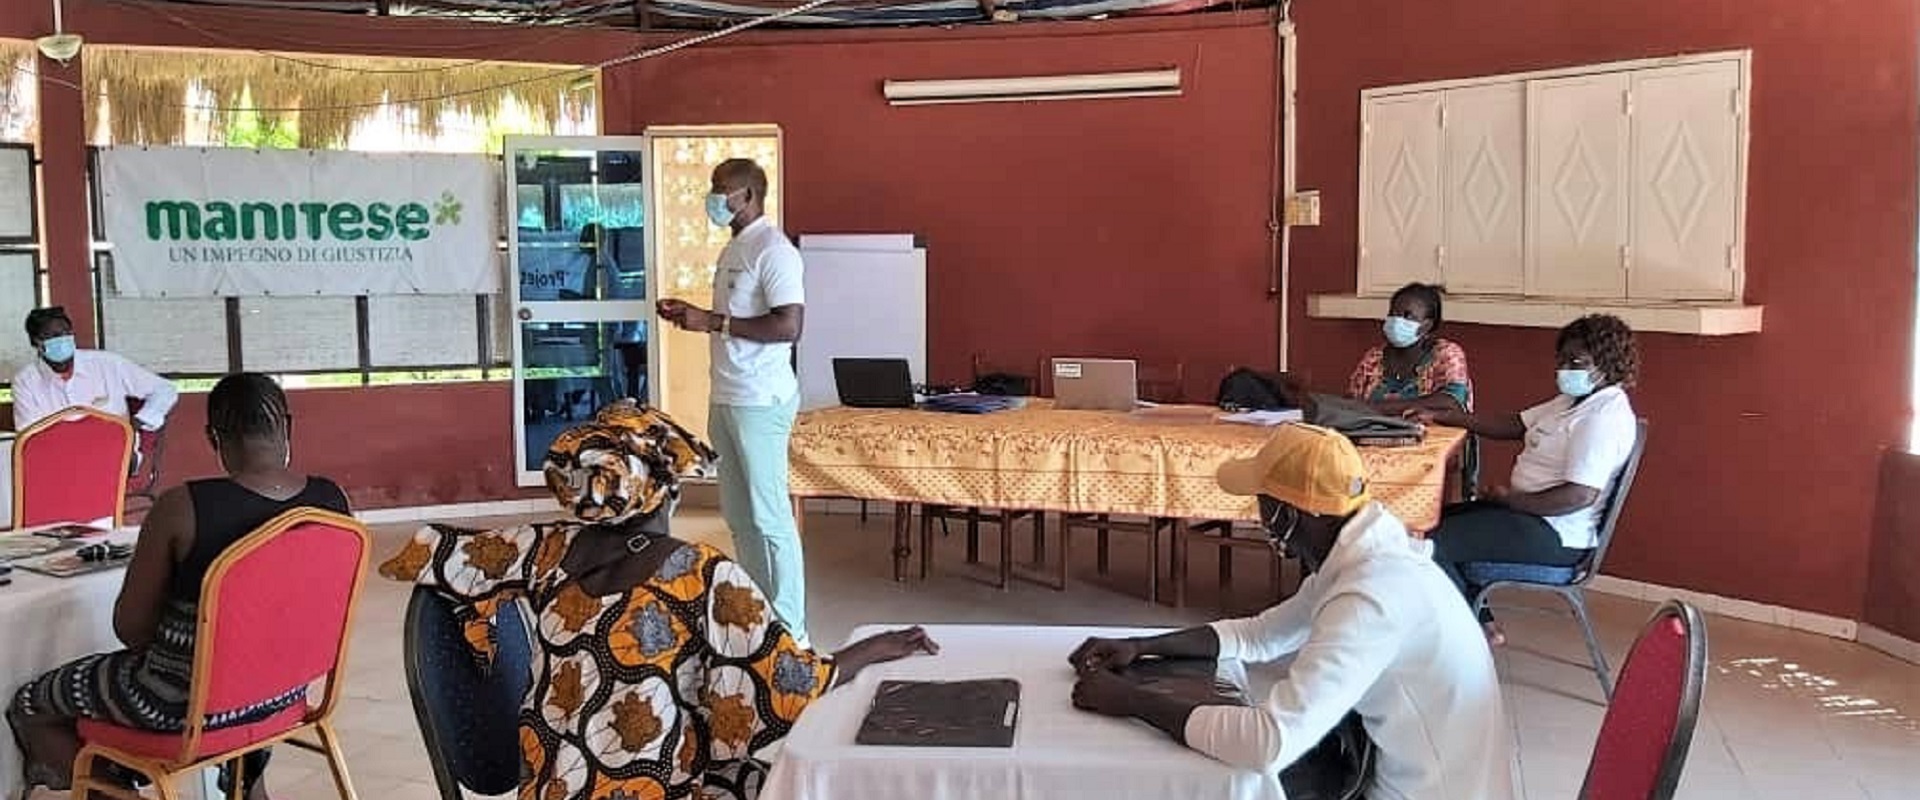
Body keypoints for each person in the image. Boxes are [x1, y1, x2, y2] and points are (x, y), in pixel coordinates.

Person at [380, 401, 936, 800]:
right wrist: (868, 649)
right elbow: (789, 686)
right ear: (664, 492)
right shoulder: (702, 575)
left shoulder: (545, 548)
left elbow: (430, 555)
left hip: (551, 783)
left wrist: (479, 630)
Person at [1067, 423, 1515, 800]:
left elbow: (1270, 741)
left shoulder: (1373, 597)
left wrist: (1131, 700)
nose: (1258, 515)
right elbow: (1261, 635)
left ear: (1291, 514)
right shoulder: (1362, 555)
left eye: (1262, 501)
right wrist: (1140, 646)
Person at [7, 373, 350, 800]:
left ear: (213, 437)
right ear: (287, 426)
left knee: (32, 701)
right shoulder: (332, 502)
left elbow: (131, 628)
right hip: (285, 693)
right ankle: (246, 785)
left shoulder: (183, 509)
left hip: (181, 707)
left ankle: (115, 787)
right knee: (236, 671)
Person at [655, 158, 811, 643]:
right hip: (726, 395)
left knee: (770, 517)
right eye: (713, 188)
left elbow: (789, 326)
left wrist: (713, 322)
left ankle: (793, 631)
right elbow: (730, 320)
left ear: (748, 196)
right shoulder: (734, 248)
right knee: (740, 517)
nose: (713, 198)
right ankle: (760, 615)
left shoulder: (774, 250)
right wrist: (694, 317)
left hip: (761, 400)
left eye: (721, 190)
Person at [1414, 313, 1640, 645]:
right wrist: (1447, 417)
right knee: (1425, 523)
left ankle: (1467, 635)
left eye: (1576, 362)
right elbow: (1514, 425)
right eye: (1562, 360)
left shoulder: (1602, 417)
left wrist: (1510, 500)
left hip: (1554, 533)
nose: (1564, 369)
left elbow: (1579, 495)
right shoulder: (1573, 402)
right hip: (1528, 516)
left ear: (1607, 364)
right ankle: (1481, 624)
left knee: (1424, 543)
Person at [12, 306, 178, 443]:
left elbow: (164, 389)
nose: (62, 340)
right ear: (36, 342)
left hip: (115, 450)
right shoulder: (26, 381)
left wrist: (139, 421)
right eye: (53, 336)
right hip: (60, 455)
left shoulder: (107, 364)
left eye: (66, 333)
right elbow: (29, 435)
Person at [1346, 282, 1472, 415]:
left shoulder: (1446, 354)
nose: (1396, 320)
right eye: (1393, 313)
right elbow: (1352, 404)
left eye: (1407, 316)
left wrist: (1380, 407)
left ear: (1427, 325)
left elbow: (1451, 402)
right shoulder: (1374, 358)